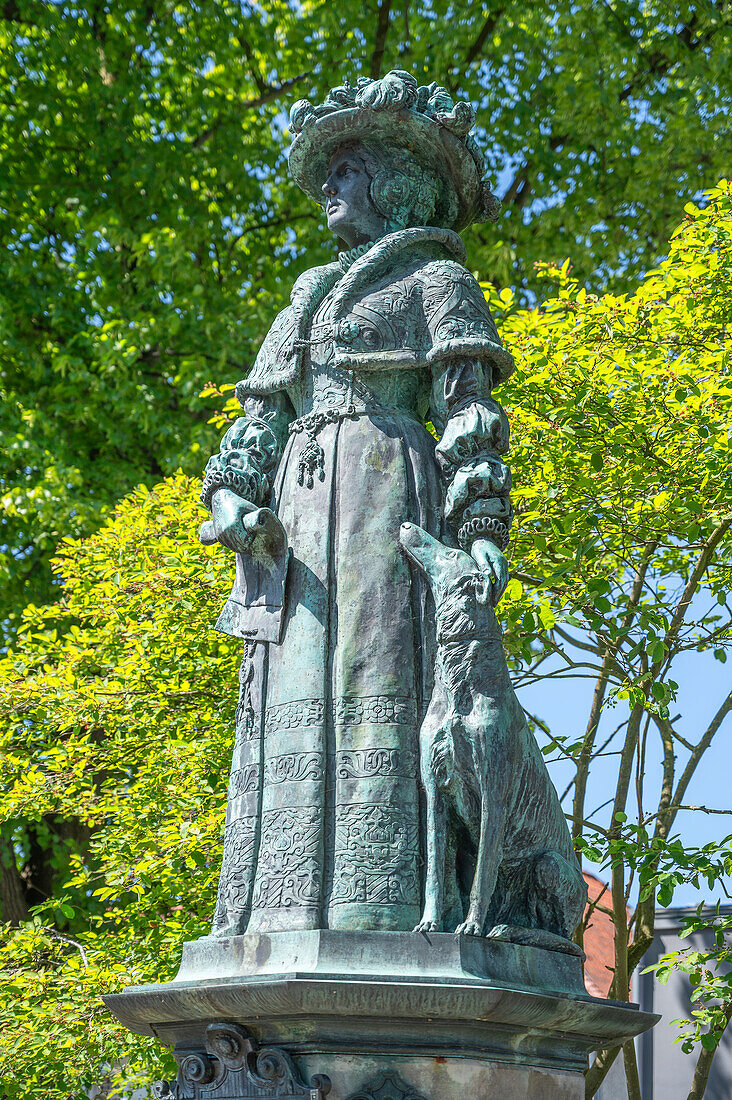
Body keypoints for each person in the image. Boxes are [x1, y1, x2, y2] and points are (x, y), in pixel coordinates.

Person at [199, 70, 515, 936]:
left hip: (386, 492)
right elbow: (257, 421)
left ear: (394, 180)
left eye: (347, 170)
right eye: (328, 173)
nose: (330, 188)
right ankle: (282, 909)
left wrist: (481, 522)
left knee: (383, 677)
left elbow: (469, 408)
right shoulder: (305, 294)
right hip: (295, 522)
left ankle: (381, 908)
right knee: (295, 684)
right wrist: (230, 496)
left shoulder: (436, 280)